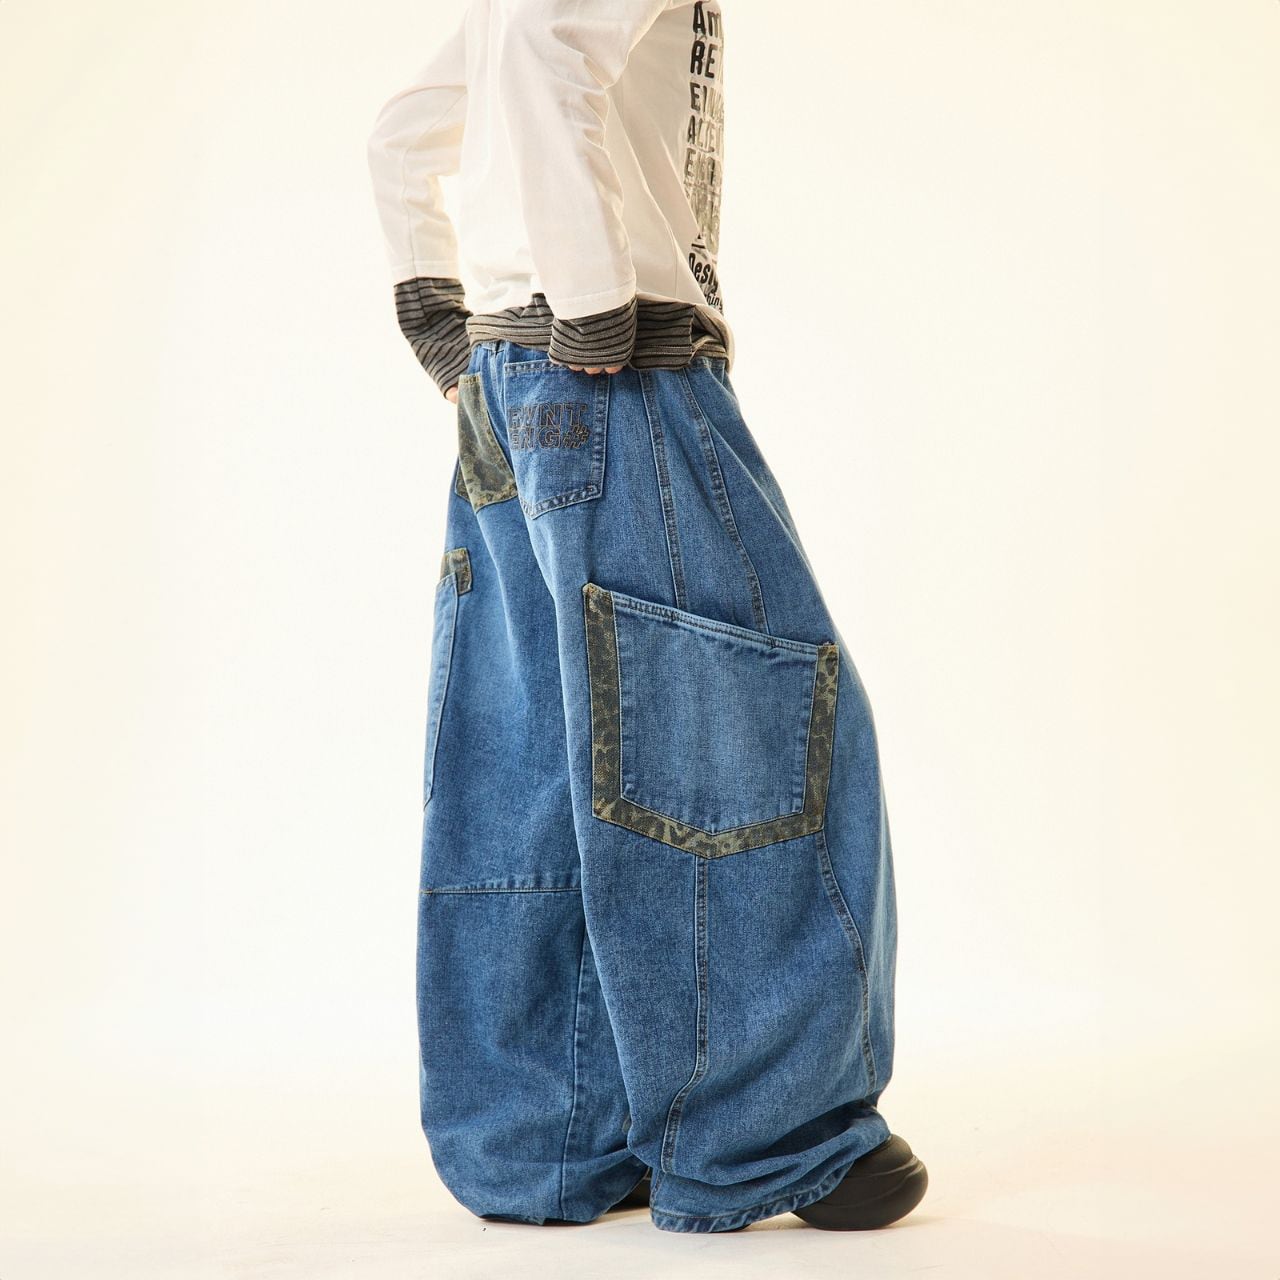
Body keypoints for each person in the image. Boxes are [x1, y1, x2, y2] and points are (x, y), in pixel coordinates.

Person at [365, 0, 928, 1235]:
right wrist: (590, 299)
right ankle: (775, 1138)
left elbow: (405, 131)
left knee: (541, 750)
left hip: (509, 378)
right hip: (616, 363)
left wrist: (434, 299)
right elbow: (537, 49)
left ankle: (549, 1133)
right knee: (731, 733)